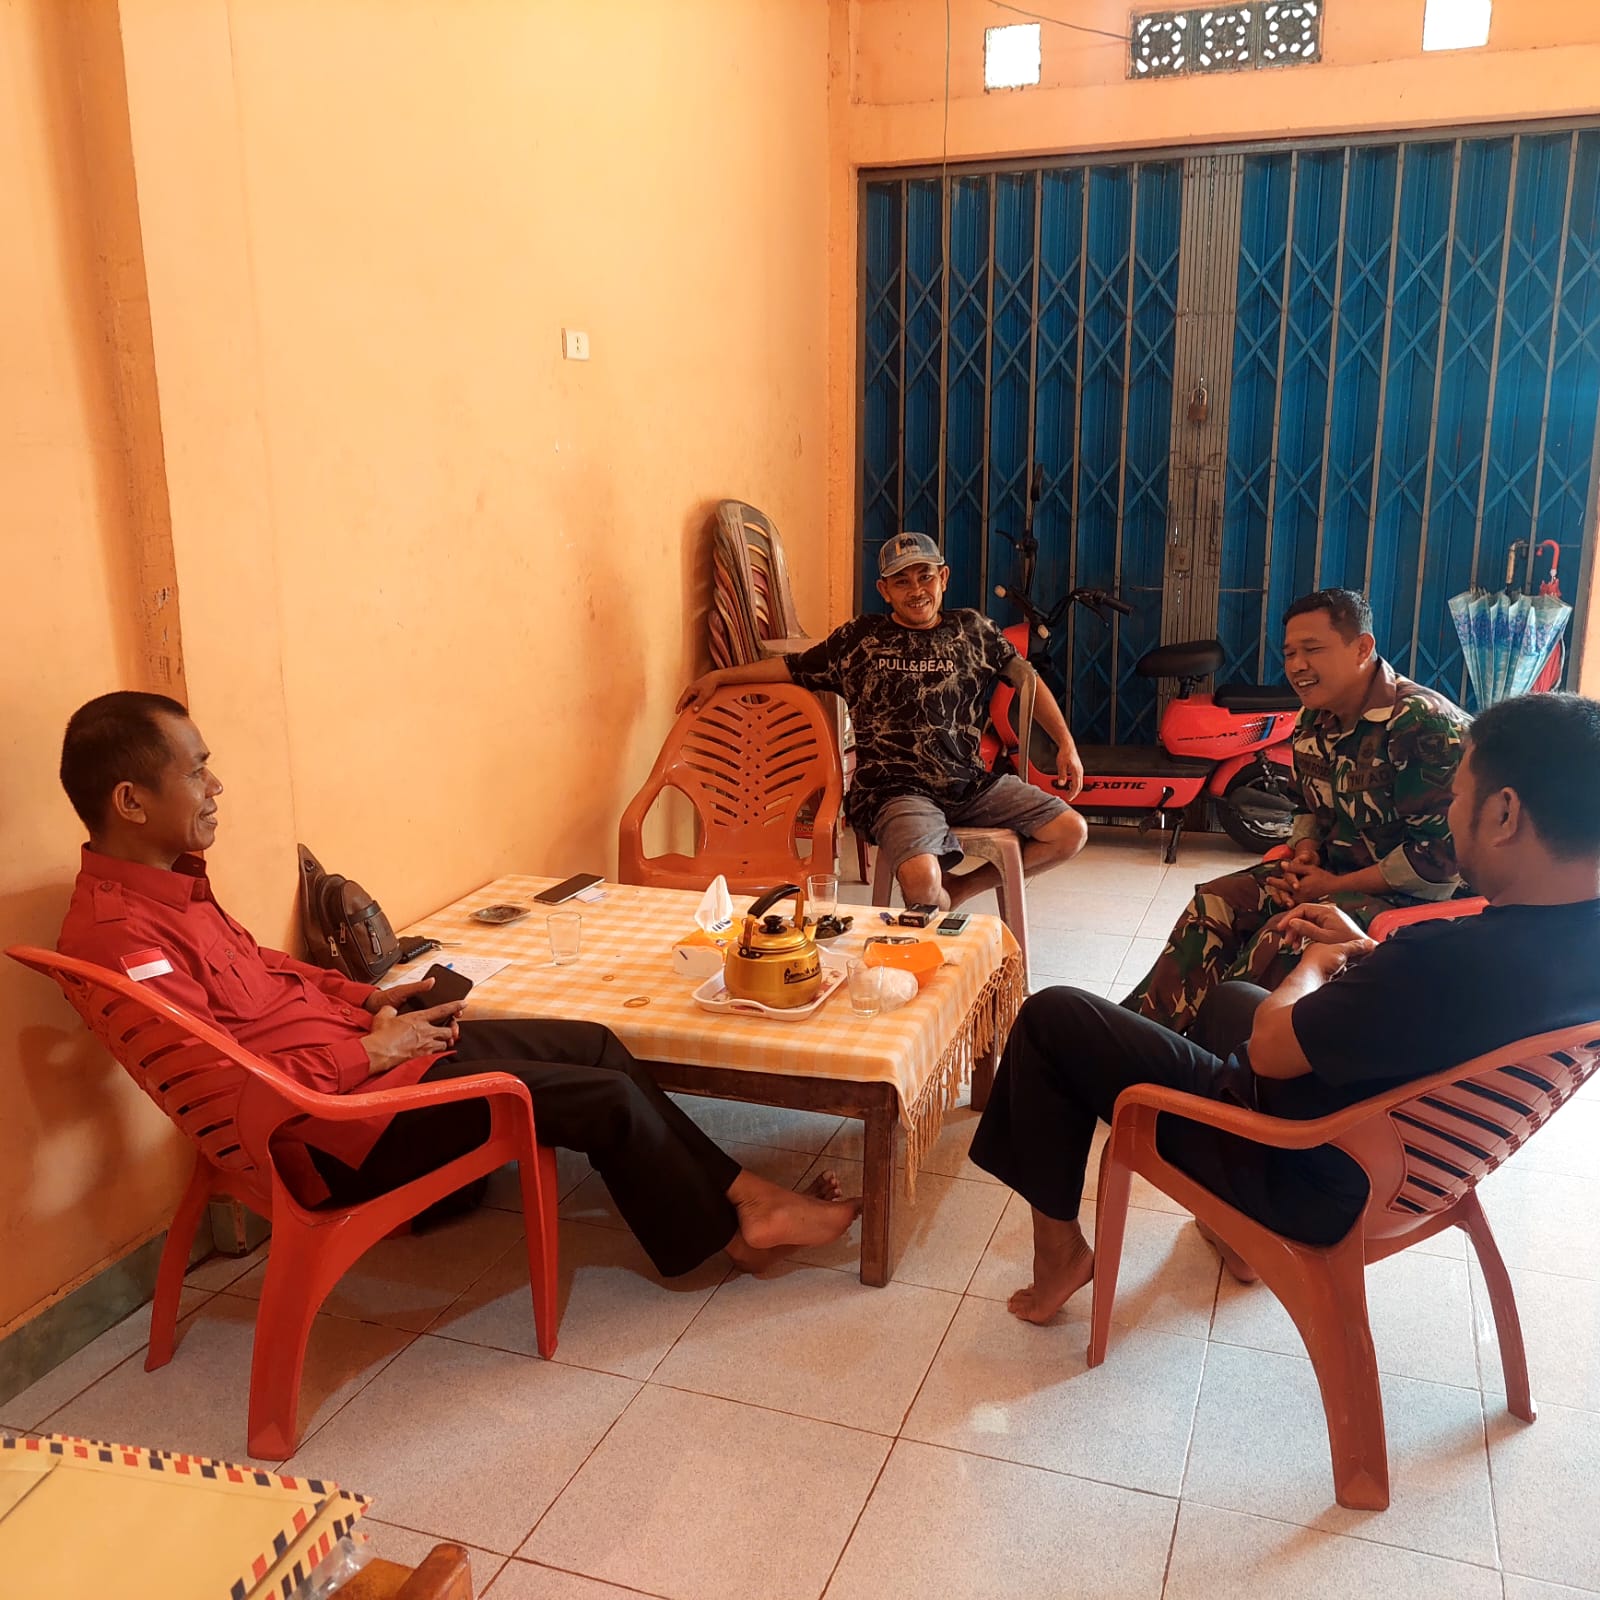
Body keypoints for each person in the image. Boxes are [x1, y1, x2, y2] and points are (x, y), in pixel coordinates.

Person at [55, 692, 861, 1279]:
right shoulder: (120, 938)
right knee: (605, 1101)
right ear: (131, 801)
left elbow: (267, 969)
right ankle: (735, 1233)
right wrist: (372, 1055)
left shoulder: (172, 887)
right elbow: (234, 1083)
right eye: (198, 772)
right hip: (341, 1129)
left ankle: (747, 1197)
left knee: (595, 1044)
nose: (216, 788)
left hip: (369, 1066)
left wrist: (370, 1002)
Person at [969, 691, 1600, 1324]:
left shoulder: (1444, 958)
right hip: (1400, 1161)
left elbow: (1273, 1050)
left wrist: (1315, 966)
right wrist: (1367, 951)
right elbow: (1429, 1001)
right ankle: (1234, 1232)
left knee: (1052, 1018)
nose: (1451, 813)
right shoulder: (1577, 942)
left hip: (1307, 1172)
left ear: (1505, 813)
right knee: (1229, 1001)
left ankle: (1063, 1253)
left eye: (1457, 797)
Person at [677, 531, 1089, 911]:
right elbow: (791, 667)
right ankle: (932, 937)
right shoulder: (860, 639)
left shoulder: (973, 630)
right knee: (923, 881)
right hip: (895, 791)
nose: (916, 590)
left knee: (1070, 831)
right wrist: (721, 677)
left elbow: (1027, 679)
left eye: (925, 577)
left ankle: (962, 889)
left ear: (943, 578)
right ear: (884, 590)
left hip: (969, 784)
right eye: (901, 581)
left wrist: (1065, 744)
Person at [1126, 588, 1470, 1034]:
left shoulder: (1422, 724)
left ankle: (1216, 1053)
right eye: (1289, 653)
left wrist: (1333, 885)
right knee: (1216, 900)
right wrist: (1305, 852)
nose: (1297, 666)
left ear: (1362, 648)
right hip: (1333, 875)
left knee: (1286, 932)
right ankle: (1145, 1033)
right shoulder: (1312, 719)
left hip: (1414, 900)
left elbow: (1440, 862)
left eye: (1313, 649)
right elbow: (1306, 805)